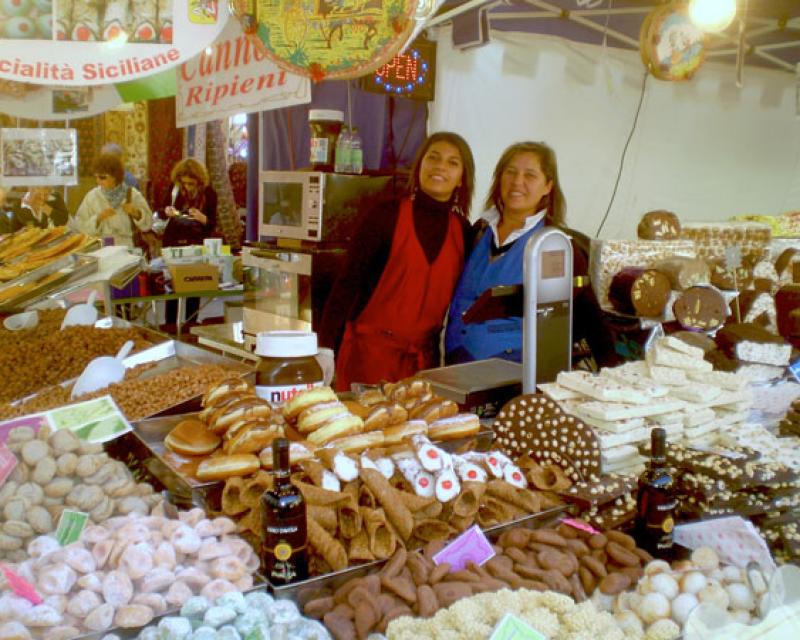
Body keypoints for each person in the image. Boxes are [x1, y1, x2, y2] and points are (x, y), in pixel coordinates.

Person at [318, 131, 476, 391]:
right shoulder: (385, 215)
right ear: (420, 166)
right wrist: (325, 347)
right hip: (369, 360)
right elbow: (347, 283)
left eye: (452, 162)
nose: (440, 166)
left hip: (424, 366)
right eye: (433, 157)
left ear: (462, 179)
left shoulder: (463, 232)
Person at [445, 141, 601, 365]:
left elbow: (584, 317)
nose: (517, 181)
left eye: (530, 175)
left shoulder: (551, 245)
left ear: (548, 186)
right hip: (456, 363)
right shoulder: (478, 231)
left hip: (511, 374)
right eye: (510, 172)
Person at [160, 158, 218, 327]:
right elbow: (161, 211)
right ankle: (170, 326)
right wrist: (167, 211)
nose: (187, 187)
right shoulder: (174, 189)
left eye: (191, 183)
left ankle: (190, 326)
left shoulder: (209, 194)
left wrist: (202, 218)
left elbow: (212, 224)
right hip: (173, 242)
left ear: (199, 181)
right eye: (184, 183)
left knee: (194, 285)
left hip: (196, 244)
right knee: (172, 288)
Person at [72, 153, 152, 247]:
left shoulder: (132, 194)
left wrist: (136, 213)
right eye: (96, 177)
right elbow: (79, 225)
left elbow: (148, 224)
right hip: (101, 249)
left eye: (102, 177)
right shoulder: (92, 196)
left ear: (114, 176)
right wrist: (98, 219)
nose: (98, 181)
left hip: (126, 249)